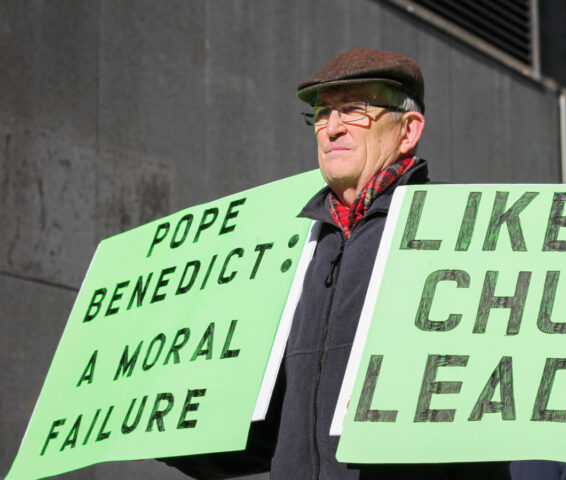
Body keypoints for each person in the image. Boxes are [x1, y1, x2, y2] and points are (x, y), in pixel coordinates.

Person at [161, 48, 511, 480]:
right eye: (322, 113)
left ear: (408, 130)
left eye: (354, 109)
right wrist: (164, 433)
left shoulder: (461, 233)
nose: (332, 127)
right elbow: (268, 430)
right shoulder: (290, 245)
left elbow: (491, 405)